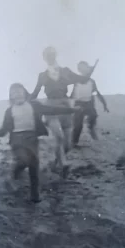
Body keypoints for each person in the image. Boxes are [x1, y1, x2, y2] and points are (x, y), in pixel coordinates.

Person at [0, 83, 78, 202]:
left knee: (34, 165)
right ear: (11, 96)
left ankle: (35, 195)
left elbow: (51, 110)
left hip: (32, 138)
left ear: (24, 92)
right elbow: (3, 131)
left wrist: (71, 110)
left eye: (19, 91)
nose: (17, 94)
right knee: (23, 160)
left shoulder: (34, 105)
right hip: (17, 140)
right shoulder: (9, 111)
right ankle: (13, 175)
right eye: (14, 92)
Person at [30, 47, 96, 176]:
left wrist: (90, 72)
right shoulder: (42, 75)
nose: (50, 56)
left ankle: (56, 162)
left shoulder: (66, 71)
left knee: (67, 144)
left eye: (52, 54)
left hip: (66, 106)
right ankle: (64, 164)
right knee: (59, 137)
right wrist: (24, 100)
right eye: (47, 55)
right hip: (51, 108)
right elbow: (35, 93)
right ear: (44, 58)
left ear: (56, 55)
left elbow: (82, 80)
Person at [70, 61, 109, 146]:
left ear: (88, 69)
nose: (84, 70)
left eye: (85, 67)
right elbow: (72, 94)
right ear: (79, 70)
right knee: (78, 126)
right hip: (79, 104)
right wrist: (69, 106)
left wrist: (104, 104)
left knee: (93, 115)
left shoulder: (92, 81)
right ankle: (74, 142)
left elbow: (97, 93)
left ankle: (91, 129)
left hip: (89, 104)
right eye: (81, 68)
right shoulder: (76, 81)